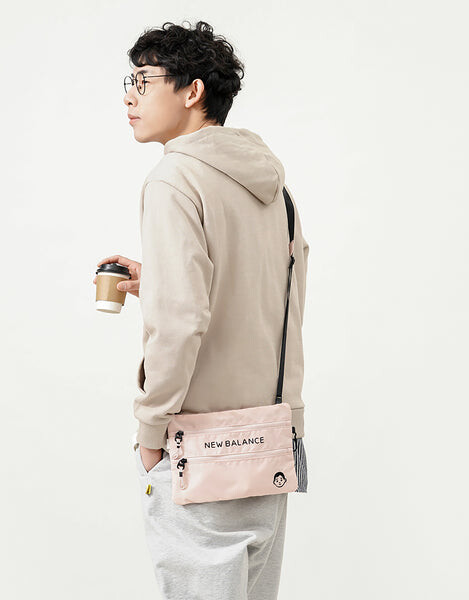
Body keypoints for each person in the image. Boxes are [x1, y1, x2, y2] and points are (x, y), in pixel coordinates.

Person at [95, 20, 310, 600]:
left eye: (144, 80)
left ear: (192, 91)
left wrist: (150, 433)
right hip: (269, 442)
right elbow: (275, 296)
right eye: (129, 82)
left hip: (198, 450)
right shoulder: (275, 188)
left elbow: (181, 321)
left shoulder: (175, 178)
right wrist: (161, 280)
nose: (129, 96)